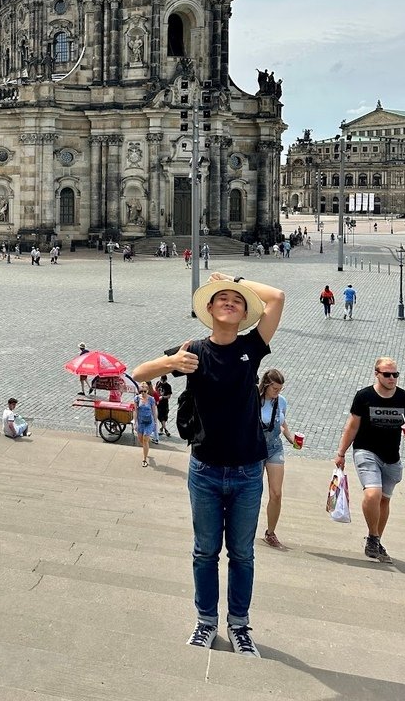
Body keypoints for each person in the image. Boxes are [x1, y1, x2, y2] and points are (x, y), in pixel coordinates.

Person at [132, 271, 284, 657]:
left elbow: (278, 297)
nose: (229, 303)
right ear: (210, 310)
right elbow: (138, 374)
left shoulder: (253, 347)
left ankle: (239, 625)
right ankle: (205, 622)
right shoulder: (193, 351)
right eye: (222, 299)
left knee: (243, 554)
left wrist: (232, 280)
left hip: (249, 469)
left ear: (244, 310)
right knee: (204, 551)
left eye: (237, 300)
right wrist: (172, 361)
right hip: (205, 470)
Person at [334, 357, 405, 563]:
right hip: (365, 451)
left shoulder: (404, 398)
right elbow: (352, 426)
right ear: (377, 374)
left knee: (384, 500)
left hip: (392, 457)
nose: (392, 378)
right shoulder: (364, 396)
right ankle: (373, 537)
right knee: (372, 494)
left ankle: (375, 539)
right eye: (387, 374)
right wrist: (341, 453)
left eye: (395, 374)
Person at [258, 369, 299, 549]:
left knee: (276, 493)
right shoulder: (254, 400)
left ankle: (271, 532)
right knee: (252, 492)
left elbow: (282, 423)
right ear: (266, 385)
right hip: (254, 449)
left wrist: (291, 439)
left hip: (275, 447)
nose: (277, 392)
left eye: (280, 389)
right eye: (275, 388)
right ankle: (244, 528)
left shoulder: (281, 401)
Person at [133, 381, 158, 468]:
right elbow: (136, 411)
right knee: (140, 440)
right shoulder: (136, 398)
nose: (143, 393)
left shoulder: (151, 399)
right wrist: (135, 422)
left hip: (149, 422)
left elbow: (154, 411)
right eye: (141, 391)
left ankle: (144, 459)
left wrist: (155, 422)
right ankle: (146, 448)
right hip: (141, 422)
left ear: (147, 390)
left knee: (145, 439)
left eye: (144, 391)